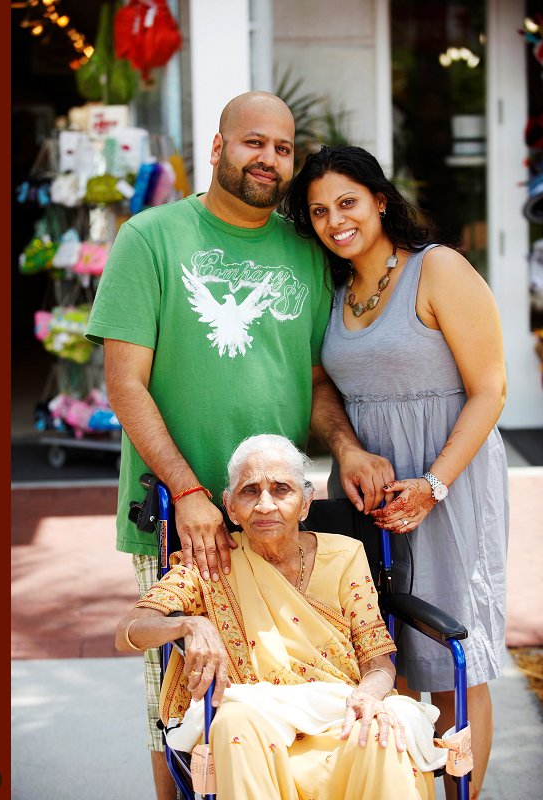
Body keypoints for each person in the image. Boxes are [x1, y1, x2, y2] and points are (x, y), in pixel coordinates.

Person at [84, 95, 393, 799]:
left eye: (283, 149)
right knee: (185, 704)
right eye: (255, 143)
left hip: (280, 513)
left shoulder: (303, 247)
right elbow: (125, 384)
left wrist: (343, 446)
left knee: (279, 696)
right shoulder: (151, 236)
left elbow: (314, 378)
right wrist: (190, 492)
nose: (270, 160)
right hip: (182, 515)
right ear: (219, 145)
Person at [283, 144, 508, 800]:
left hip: (449, 483)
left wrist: (434, 486)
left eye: (347, 202)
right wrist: (348, 451)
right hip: (365, 494)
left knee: (454, 667)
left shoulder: (438, 269)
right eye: (320, 211)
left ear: (380, 200)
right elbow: (322, 387)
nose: (335, 220)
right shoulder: (333, 289)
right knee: (382, 656)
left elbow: (491, 389)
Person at [117, 434, 446, 800]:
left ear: (306, 503)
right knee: (232, 720)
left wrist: (368, 696)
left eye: (281, 489)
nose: (265, 505)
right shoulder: (209, 565)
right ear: (229, 506)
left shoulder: (345, 556)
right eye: (249, 491)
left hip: (337, 715)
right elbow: (129, 629)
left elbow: (379, 664)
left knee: (381, 733)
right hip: (256, 725)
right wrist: (189, 623)